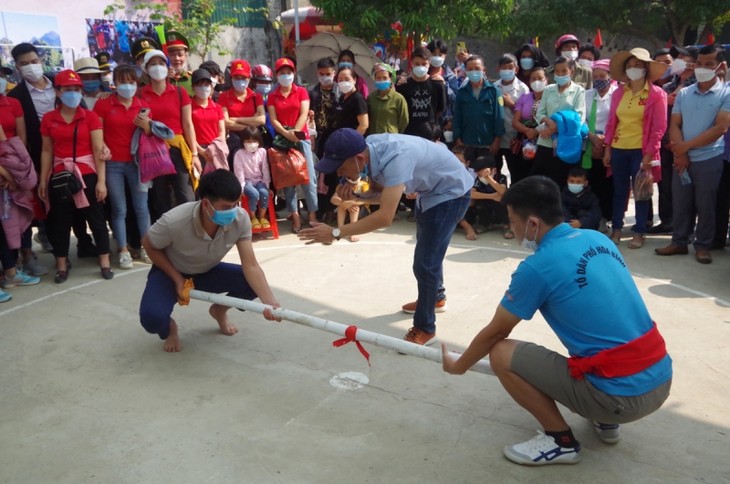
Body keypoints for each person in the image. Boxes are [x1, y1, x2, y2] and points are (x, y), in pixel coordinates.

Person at [441, 175, 672, 466]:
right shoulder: (598, 238)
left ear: (533, 223)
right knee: (593, 330)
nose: (512, 227)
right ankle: (604, 420)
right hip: (661, 377)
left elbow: (495, 333)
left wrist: (459, 365)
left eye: (512, 220)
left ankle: (561, 441)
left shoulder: (537, 267)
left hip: (619, 398)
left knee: (501, 353)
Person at [298, 128, 473, 346]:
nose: (340, 174)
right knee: (429, 252)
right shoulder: (371, 147)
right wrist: (357, 195)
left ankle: (425, 327)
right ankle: (436, 298)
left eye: (341, 167)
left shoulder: (396, 158)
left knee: (426, 262)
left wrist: (336, 233)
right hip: (429, 192)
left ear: (358, 158)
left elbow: (385, 216)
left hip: (451, 194)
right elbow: (384, 194)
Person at [139, 169, 281, 352]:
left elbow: (251, 265)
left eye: (235, 204)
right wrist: (177, 279)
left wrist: (270, 302)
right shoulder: (174, 221)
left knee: (250, 283)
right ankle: (170, 329)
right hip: (171, 271)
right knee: (152, 318)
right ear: (206, 204)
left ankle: (219, 310)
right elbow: (148, 245)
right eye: (226, 207)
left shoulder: (240, 218)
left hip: (207, 271)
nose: (232, 211)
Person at [656, 45, 730, 264]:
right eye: (700, 63)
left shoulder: (726, 93)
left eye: (709, 64)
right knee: (681, 201)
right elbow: (675, 123)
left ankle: (703, 245)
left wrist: (684, 148)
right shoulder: (685, 92)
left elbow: (721, 127)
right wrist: (681, 153)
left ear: (720, 66)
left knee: (706, 203)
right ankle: (679, 242)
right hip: (682, 158)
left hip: (709, 158)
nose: (703, 68)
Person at [38, 70, 113, 283]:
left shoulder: (89, 117)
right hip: (60, 175)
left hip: (87, 173)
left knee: (97, 219)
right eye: (68, 90)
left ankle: (104, 261)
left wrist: (101, 181)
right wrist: (43, 179)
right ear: (58, 92)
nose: (73, 94)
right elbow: (46, 151)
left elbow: (99, 150)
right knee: (60, 221)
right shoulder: (49, 119)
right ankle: (61, 265)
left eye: (76, 90)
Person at [603, 48, 668, 249]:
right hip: (619, 148)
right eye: (630, 66)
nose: (633, 69)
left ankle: (639, 231)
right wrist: (607, 148)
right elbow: (612, 122)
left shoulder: (657, 94)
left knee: (641, 192)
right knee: (620, 190)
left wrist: (650, 153)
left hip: (641, 150)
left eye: (638, 65)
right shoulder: (619, 92)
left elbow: (659, 128)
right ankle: (617, 228)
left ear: (646, 68)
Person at [93, 64, 152, 270]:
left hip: (138, 164)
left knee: (142, 208)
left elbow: (150, 136)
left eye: (131, 82)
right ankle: (123, 250)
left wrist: (148, 125)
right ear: (114, 84)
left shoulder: (143, 106)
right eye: (122, 82)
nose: (127, 86)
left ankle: (146, 247)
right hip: (113, 165)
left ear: (137, 83)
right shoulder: (103, 105)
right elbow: (96, 134)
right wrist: (104, 148)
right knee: (119, 209)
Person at [138, 49, 200, 222]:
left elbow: (188, 125)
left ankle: (190, 235)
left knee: (186, 196)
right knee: (160, 199)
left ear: (166, 67)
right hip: (153, 152)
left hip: (177, 150)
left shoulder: (180, 93)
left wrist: (194, 154)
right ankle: (165, 238)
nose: (157, 67)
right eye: (152, 64)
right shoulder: (140, 94)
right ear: (146, 69)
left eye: (160, 63)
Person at [267, 57, 319, 232]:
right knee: (288, 180)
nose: (286, 75)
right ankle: (295, 215)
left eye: (289, 72)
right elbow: (273, 120)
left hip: (301, 138)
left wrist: (295, 133)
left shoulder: (301, 92)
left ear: (294, 73)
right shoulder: (272, 96)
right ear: (276, 75)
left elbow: (304, 113)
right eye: (282, 73)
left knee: (308, 178)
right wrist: (286, 134)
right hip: (282, 141)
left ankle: (312, 214)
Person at [534, 56, 586, 186]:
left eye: (564, 71)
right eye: (557, 71)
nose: (560, 74)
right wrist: (549, 123)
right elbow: (540, 113)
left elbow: (578, 117)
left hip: (566, 143)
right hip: (545, 141)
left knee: (561, 180)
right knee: (542, 181)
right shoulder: (548, 89)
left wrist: (554, 128)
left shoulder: (578, 91)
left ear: (571, 72)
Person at [453, 55, 505, 171]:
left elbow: (499, 116)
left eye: (477, 68)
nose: (473, 72)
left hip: (488, 144)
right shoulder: (461, 92)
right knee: (469, 175)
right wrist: (457, 138)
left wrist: (497, 140)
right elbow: (457, 116)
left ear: (484, 70)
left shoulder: (494, 91)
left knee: (486, 178)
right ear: (465, 71)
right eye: (470, 69)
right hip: (467, 143)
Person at [583, 59, 617, 231]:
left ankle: (607, 217)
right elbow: (581, 120)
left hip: (611, 143)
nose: (598, 80)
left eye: (602, 76)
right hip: (589, 142)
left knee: (608, 184)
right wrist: (592, 138)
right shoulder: (586, 95)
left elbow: (618, 120)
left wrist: (604, 142)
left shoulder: (618, 94)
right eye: (595, 76)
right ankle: (591, 216)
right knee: (592, 181)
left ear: (610, 76)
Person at [397, 47, 446, 140]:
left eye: (424, 64)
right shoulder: (403, 86)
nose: (420, 67)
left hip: (431, 134)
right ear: (411, 63)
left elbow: (440, 110)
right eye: (417, 64)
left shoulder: (437, 85)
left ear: (429, 63)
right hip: (409, 134)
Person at [493, 54, 529, 180]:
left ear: (516, 69)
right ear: (498, 69)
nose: (507, 71)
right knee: (495, 171)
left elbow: (527, 115)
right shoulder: (494, 87)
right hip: (496, 138)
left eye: (510, 67)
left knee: (516, 172)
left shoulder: (523, 88)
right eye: (504, 68)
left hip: (514, 139)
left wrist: (512, 104)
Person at [511, 67, 547, 185]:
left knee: (539, 175)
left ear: (547, 80)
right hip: (524, 139)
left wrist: (536, 131)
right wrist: (528, 131)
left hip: (543, 139)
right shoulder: (524, 98)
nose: (537, 81)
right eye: (533, 79)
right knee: (521, 173)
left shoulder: (551, 98)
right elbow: (515, 121)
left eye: (540, 78)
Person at [233, 126, 271, 230]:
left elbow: (265, 169)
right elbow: (239, 173)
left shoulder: (262, 152)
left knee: (264, 193)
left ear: (259, 141)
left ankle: (262, 217)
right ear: (243, 141)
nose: (251, 144)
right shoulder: (239, 154)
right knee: (254, 194)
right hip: (246, 182)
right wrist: (241, 189)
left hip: (259, 180)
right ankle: (253, 217)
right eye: (248, 141)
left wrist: (267, 185)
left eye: (254, 141)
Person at [465, 155, 510, 238]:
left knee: (503, 202)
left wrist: (489, 178)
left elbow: (503, 192)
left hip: (499, 205)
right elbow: (472, 194)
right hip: (486, 203)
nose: (481, 176)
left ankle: (507, 226)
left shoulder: (501, 177)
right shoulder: (478, 180)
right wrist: (491, 196)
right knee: (480, 204)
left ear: (493, 170)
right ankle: (485, 224)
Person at [190, 68, 226, 170]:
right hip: (196, 150)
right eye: (199, 85)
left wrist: (215, 149)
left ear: (211, 87)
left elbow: (221, 131)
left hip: (215, 150)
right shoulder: (188, 107)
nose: (203, 88)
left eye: (206, 85)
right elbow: (187, 131)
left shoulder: (217, 107)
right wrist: (201, 151)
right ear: (193, 87)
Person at [367, 63, 409, 135]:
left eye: (385, 78)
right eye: (378, 78)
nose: (381, 80)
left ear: (390, 79)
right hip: (374, 138)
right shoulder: (371, 98)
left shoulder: (398, 99)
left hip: (391, 139)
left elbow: (404, 122)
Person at [335, 66, 369, 134]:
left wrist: (353, 139)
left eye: (347, 79)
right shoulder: (342, 98)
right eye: (340, 80)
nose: (343, 82)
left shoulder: (358, 99)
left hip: (351, 140)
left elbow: (364, 125)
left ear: (354, 80)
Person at [163, 30, 193, 96]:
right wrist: (165, 81)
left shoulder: (192, 79)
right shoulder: (160, 81)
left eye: (180, 55)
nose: (176, 58)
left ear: (186, 56)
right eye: (172, 55)